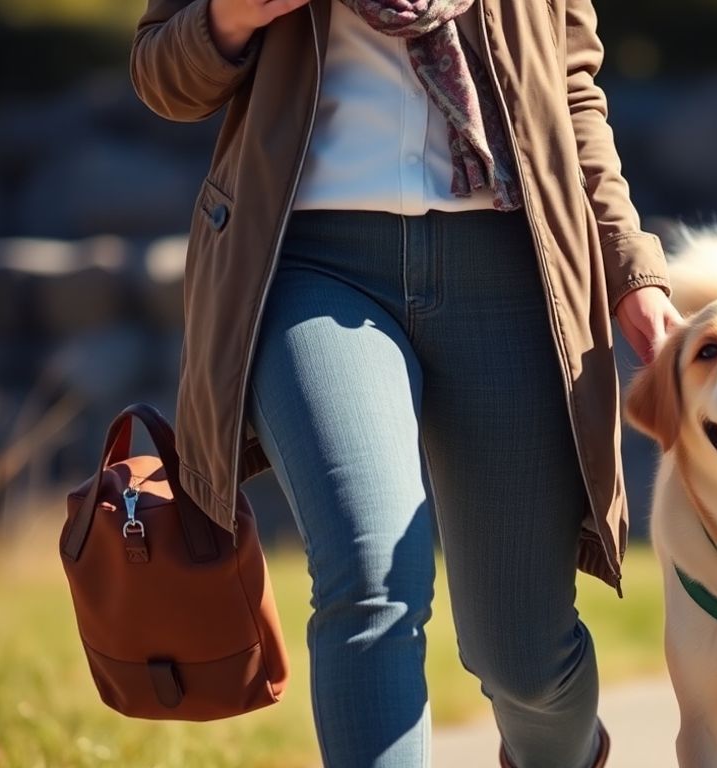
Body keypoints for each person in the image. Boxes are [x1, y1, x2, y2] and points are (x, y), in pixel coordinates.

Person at [129, 0, 680, 764]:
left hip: (508, 269)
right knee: (369, 575)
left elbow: (571, 90)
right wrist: (231, 16)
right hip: (309, 263)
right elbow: (162, 73)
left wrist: (630, 270)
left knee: (524, 656)